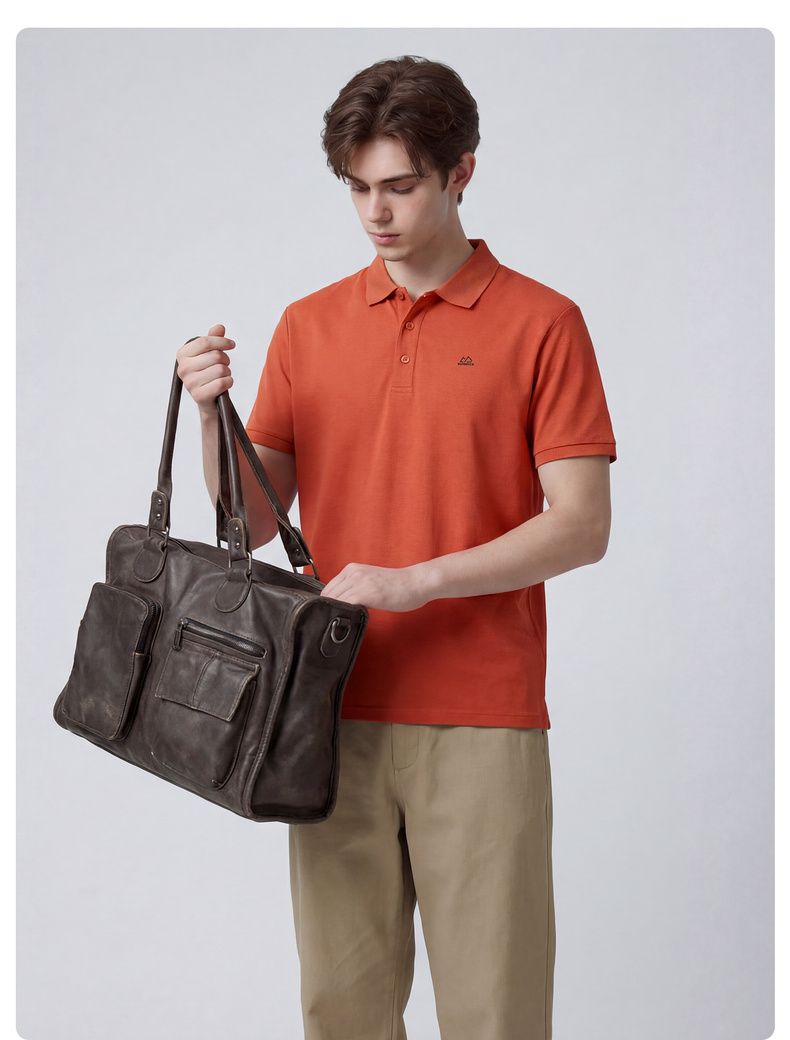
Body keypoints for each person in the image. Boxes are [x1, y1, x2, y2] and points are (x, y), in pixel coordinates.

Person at [177, 54, 616, 1040]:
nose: (375, 212)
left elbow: (583, 522)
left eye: (401, 186)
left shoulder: (544, 323)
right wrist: (211, 415)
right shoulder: (309, 325)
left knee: (495, 1013)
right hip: (326, 707)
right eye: (357, 187)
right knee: (342, 1011)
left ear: (462, 172)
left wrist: (418, 580)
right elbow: (253, 516)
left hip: (481, 712)